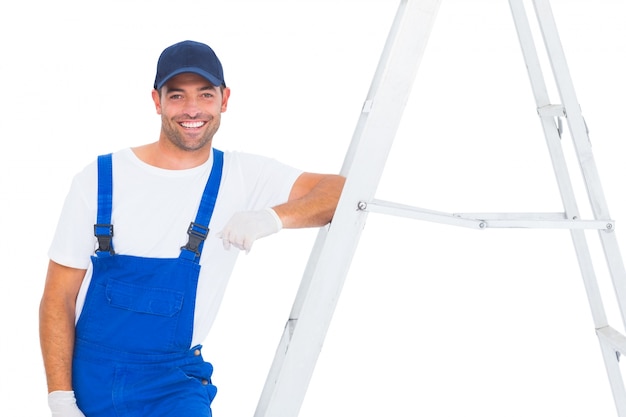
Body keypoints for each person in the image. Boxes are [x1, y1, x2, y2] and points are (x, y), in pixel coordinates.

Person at [39, 39, 345, 417]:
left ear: (224, 98)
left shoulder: (242, 175)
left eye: (205, 94)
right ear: (157, 101)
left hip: (173, 385)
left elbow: (341, 191)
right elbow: (57, 298)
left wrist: (273, 217)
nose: (193, 109)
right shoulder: (100, 178)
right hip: (91, 382)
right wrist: (61, 399)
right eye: (177, 96)